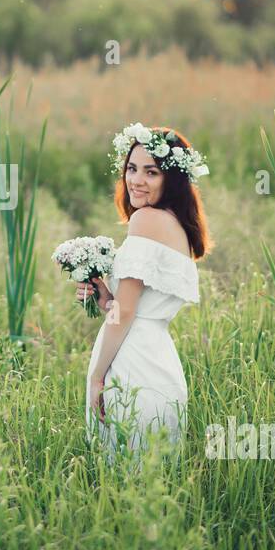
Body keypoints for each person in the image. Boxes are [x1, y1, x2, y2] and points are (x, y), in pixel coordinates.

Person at [76, 123, 212, 467]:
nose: (136, 180)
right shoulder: (176, 225)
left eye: (150, 172)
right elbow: (127, 308)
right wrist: (103, 295)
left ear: (171, 180)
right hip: (159, 363)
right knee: (150, 487)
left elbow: (123, 317)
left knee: (121, 480)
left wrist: (95, 378)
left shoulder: (147, 220)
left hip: (134, 369)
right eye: (131, 169)